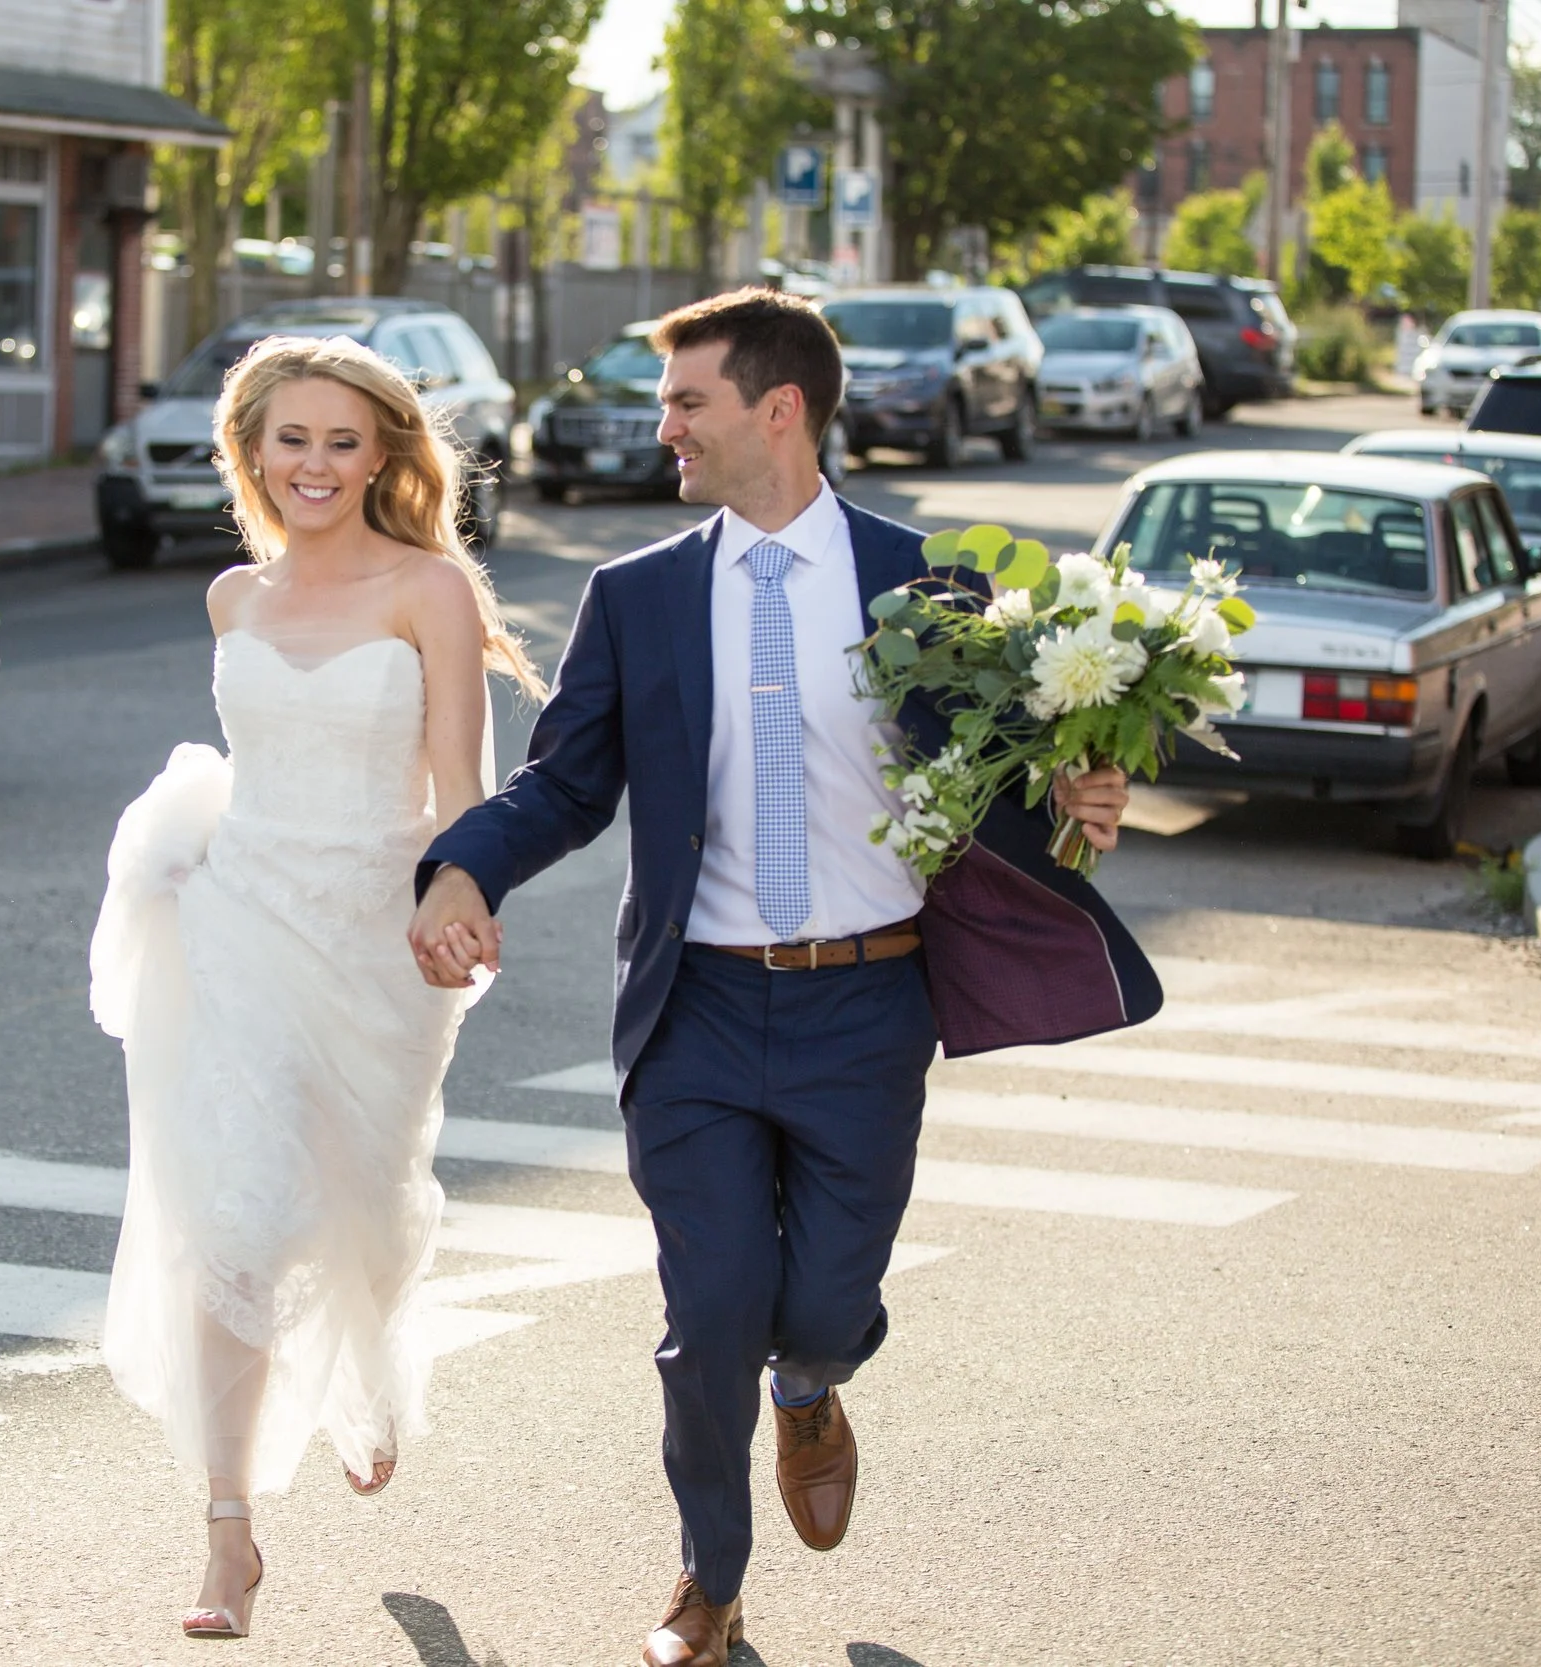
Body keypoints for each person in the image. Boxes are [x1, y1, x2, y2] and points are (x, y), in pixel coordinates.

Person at [409, 288, 1158, 1667]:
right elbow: (564, 785)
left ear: (780, 409)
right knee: (706, 1319)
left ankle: (815, 1382)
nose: (663, 424)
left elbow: (1003, 794)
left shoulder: (930, 587)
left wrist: (1077, 802)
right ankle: (709, 1579)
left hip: (866, 1007)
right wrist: (464, 866)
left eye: (687, 399)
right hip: (692, 1006)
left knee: (814, 1303)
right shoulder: (634, 597)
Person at [89, 333, 541, 1640]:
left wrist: (469, 892)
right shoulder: (235, 598)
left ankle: (373, 1360)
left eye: (344, 441)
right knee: (233, 1216)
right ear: (252, 450)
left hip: (377, 937)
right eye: (293, 439)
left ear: (386, 453)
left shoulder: (431, 590)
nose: (316, 464)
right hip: (236, 919)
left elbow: (463, 786)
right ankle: (227, 1532)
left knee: (368, 1205)